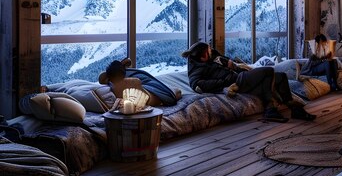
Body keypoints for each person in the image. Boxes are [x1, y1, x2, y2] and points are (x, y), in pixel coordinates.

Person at [181, 41, 315, 123]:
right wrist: (224, 81)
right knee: (267, 71)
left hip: (239, 75)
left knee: (280, 76)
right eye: (208, 50)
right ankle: (270, 108)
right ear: (203, 56)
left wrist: (228, 63)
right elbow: (197, 85)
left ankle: (294, 110)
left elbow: (222, 58)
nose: (211, 51)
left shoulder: (209, 60)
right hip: (236, 81)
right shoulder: (196, 69)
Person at [98, 58, 181, 106]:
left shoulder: (111, 82)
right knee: (177, 91)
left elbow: (101, 77)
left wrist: (121, 64)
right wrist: (121, 64)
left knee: (173, 90)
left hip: (146, 91)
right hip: (151, 97)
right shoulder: (134, 81)